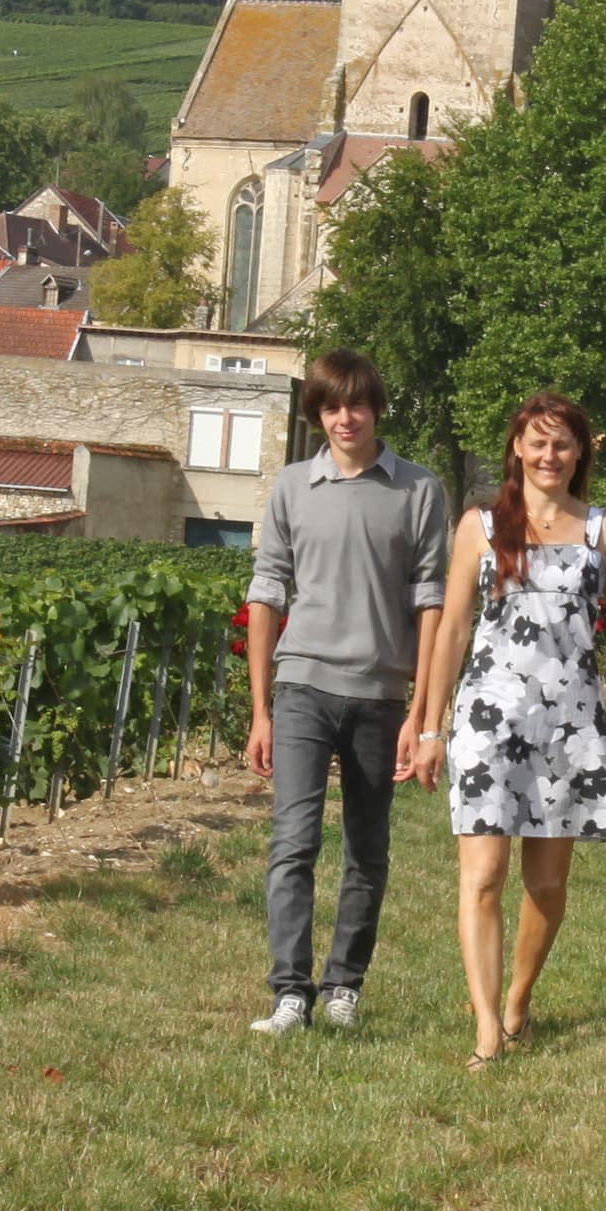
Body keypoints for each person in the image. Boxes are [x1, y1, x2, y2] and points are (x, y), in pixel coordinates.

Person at [402, 393, 606, 1067]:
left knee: (547, 885)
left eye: (562, 444)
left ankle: (518, 1001)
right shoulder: (480, 526)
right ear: (516, 450)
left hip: (571, 725)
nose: (548, 456)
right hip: (487, 720)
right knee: (483, 875)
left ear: (580, 453)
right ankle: (486, 1031)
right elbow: (452, 630)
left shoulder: (602, 529)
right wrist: (431, 726)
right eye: (536, 443)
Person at [242, 350, 452, 1035]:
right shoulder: (292, 487)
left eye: (356, 404)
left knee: (368, 849)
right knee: (292, 844)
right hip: (301, 686)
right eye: (332, 407)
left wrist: (422, 713)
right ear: (318, 414)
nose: (345, 418)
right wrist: (260, 711)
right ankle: (289, 994)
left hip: (382, 696)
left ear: (376, 408)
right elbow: (266, 592)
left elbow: (432, 605)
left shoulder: (419, 491)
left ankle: (343, 987)